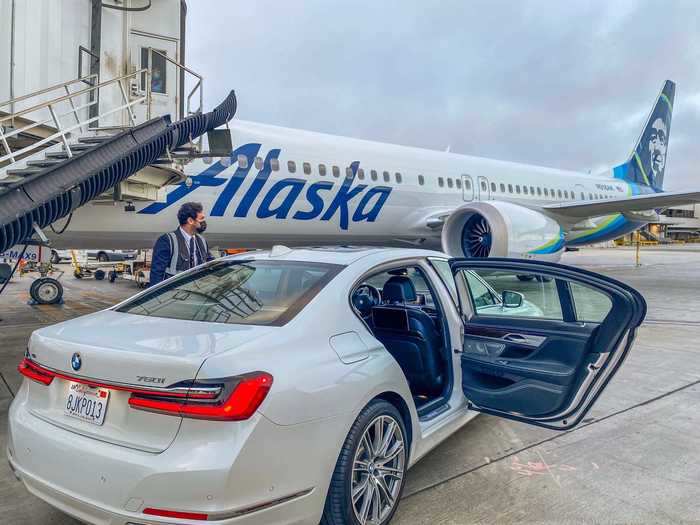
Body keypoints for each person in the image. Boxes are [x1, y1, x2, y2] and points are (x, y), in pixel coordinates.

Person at [149, 202, 213, 286]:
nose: (203, 222)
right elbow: (156, 275)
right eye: (201, 219)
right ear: (190, 221)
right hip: (174, 294)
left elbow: (211, 263)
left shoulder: (201, 240)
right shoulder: (166, 241)